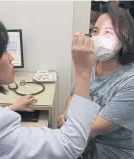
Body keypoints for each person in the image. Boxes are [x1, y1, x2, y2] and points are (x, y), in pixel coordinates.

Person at [0, 12, 100, 159]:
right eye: (3, 50)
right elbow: (69, 145)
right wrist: (83, 72)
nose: (11, 58)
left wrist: (10, 109)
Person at [57, 5, 134, 159]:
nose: (98, 38)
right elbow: (74, 94)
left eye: (108, 32)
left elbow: (89, 129)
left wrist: (68, 122)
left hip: (112, 151)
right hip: (83, 142)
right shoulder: (92, 66)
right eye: (95, 31)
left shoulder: (130, 82)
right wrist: (65, 113)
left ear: (126, 36)